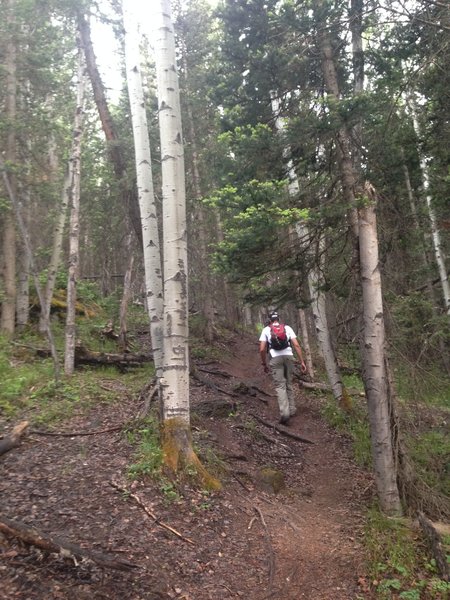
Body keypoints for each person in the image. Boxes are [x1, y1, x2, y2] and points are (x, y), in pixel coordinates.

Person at [259, 311, 307, 425]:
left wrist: (264, 363)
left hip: (275, 358)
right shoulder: (287, 328)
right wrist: (302, 362)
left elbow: (261, 349)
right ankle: (292, 409)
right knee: (288, 383)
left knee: (280, 386)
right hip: (289, 357)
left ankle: (285, 413)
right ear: (278, 319)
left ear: (270, 320)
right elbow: (296, 345)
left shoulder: (266, 330)